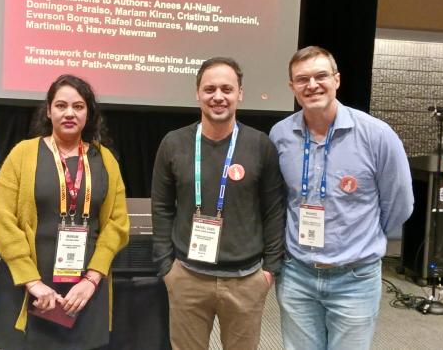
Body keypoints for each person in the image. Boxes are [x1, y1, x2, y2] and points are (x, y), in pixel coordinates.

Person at [269, 46, 414, 350]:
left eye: (321, 76)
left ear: (337, 79)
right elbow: (280, 201)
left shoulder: (377, 135)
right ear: (292, 87)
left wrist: (363, 239)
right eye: (302, 79)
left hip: (355, 278)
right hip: (298, 275)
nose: (312, 85)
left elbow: (399, 203)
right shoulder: (280, 135)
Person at [151, 57, 286, 350]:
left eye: (227, 88)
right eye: (209, 88)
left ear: (240, 93)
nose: (218, 96)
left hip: (246, 280)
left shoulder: (260, 144)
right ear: (197, 93)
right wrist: (166, 266)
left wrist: (269, 270)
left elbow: (274, 209)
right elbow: (162, 208)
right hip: (187, 276)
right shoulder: (173, 143)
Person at [0, 74, 129, 350]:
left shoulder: (105, 160)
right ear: (48, 110)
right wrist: (33, 281)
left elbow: (116, 223)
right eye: (61, 105)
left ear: (89, 113)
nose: (69, 113)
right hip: (30, 287)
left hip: (85, 289)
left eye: (78, 106)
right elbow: (1, 219)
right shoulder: (23, 154)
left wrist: (92, 278)